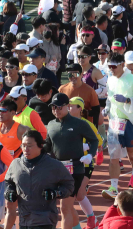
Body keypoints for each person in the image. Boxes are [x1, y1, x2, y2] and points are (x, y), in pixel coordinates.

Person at [45, 93, 99, 229]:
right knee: (66, 207)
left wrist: (90, 155)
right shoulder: (50, 125)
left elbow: (94, 140)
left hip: (75, 169)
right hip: (57, 169)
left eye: (59, 107)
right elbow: (48, 146)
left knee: (64, 207)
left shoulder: (79, 123)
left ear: (67, 107)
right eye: (53, 107)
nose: (56, 110)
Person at [4, 130, 75, 229]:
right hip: (24, 220)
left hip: (45, 220)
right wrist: (9, 191)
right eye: (23, 145)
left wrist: (56, 193)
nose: (25, 149)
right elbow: (9, 182)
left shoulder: (54, 165)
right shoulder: (16, 164)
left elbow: (69, 185)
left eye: (29, 145)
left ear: (40, 146)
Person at [102, 52, 133, 199]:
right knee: (113, 155)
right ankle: (113, 187)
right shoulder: (110, 79)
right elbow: (109, 97)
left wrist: (127, 100)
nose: (112, 69)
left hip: (129, 122)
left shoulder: (132, 80)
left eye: (114, 66)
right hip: (115, 121)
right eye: (109, 67)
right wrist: (107, 107)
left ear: (122, 64)